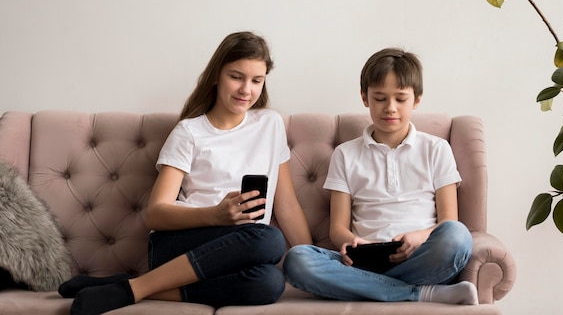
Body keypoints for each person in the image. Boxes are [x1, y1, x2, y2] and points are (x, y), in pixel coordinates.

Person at [59, 31, 312, 315]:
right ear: (216, 75)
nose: (246, 90)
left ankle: (130, 284)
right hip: (179, 245)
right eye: (236, 77)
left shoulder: (270, 124)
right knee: (270, 239)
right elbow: (156, 213)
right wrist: (216, 215)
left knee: (269, 282)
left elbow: (287, 204)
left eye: (257, 80)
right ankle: (134, 290)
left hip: (240, 249)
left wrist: (312, 262)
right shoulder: (189, 132)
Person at [283, 47, 478, 305]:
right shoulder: (345, 154)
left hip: (420, 256)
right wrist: (354, 242)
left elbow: (448, 220)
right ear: (365, 98)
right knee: (297, 259)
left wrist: (419, 237)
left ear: (417, 99)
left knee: (458, 235)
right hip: (365, 261)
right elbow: (337, 228)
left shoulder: (436, 149)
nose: (390, 108)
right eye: (379, 98)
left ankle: (375, 289)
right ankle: (418, 293)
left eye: (400, 99)